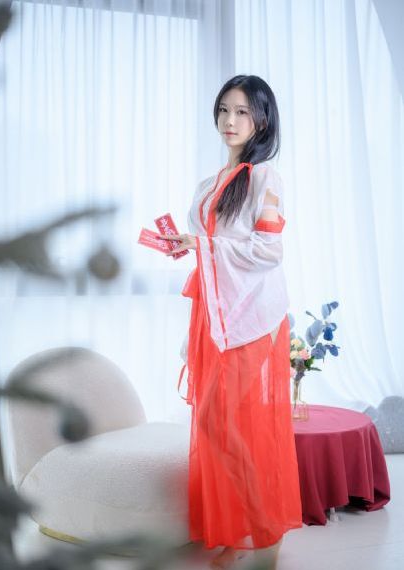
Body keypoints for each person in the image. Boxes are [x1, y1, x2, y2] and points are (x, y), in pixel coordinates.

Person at [160, 75, 303, 569]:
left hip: (248, 319)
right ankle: (235, 528)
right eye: (224, 109)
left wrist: (204, 245)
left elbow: (268, 250)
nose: (230, 120)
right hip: (213, 315)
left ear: (261, 119)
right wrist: (188, 245)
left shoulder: (264, 178)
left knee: (233, 427)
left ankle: (265, 531)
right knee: (214, 424)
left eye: (242, 111)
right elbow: (216, 245)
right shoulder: (211, 182)